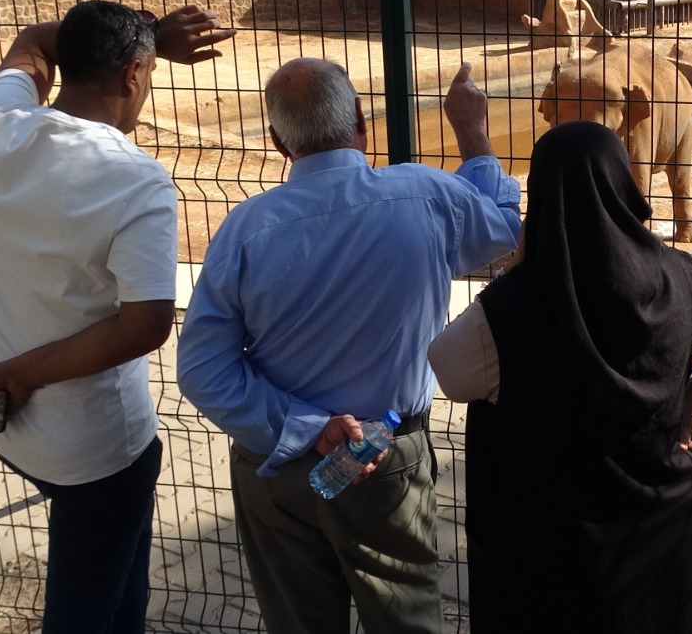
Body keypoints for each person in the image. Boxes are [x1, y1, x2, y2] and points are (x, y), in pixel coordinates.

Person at [176, 57, 520, 634]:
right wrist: (472, 134)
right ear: (362, 120)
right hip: (383, 460)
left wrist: (306, 427)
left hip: (276, 469)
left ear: (278, 142)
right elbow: (505, 231)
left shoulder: (245, 229)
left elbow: (201, 369)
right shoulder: (427, 195)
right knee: (408, 622)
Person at [427, 120, 692, 634]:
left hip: (549, 556)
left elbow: (448, 372)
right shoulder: (690, 276)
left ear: (541, 199)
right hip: (664, 540)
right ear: (626, 186)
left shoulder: (506, 309)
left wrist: (514, 271)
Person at [0, 0, 234, 633]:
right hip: (95, 449)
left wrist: (147, 37)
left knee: (118, 587)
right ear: (133, 74)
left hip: (8, 427)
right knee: (83, 610)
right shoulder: (136, 179)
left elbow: (33, 37)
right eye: (146, 70)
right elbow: (145, 325)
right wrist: (20, 374)